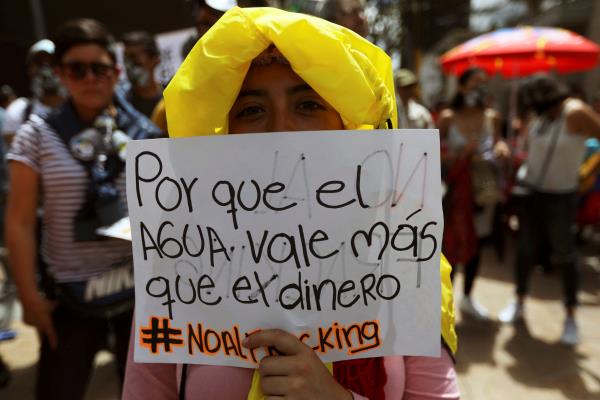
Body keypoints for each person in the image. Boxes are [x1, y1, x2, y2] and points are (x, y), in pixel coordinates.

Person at [123, 7, 459, 400]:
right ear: (224, 132)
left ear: (348, 123)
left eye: (307, 105)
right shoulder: (183, 263)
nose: (280, 130)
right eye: (251, 110)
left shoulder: (402, 253)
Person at [5, 18, 161, 399]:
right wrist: (28, 296)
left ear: (116, 71)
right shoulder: (37, 135)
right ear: (60, 74)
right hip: (71, 299)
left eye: (100, 68)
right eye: (77, 69)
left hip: (139, 296)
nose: (90, 77)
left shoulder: (145, 133)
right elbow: (20, 220)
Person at [498, 74, 600, 346]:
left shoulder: (575, 112)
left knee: (565, 254)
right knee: (525, 250)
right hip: (531, 191)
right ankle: (519, 300)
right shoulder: (540, 119)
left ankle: (570, 315)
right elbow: (533, 153)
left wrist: (587, 174)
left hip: (561, 197)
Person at [438, 67, 508, 320]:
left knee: (477, 242)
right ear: (462, 86)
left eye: (483, 83)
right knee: (451, 243)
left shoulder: (492, 117)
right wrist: (459, 155)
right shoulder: (447, 118)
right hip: (455, 194)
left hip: (482, 192)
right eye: (474, 83)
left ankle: (467, 297)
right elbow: (434, 152)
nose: (478, 88)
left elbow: (499, 142)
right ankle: (446, 301)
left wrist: (501, 149)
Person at [2, 39, 64, 148]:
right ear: (29, 70)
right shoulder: (18, 111)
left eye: (51, 63)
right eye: (39, 63)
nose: (46, 69)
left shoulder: (83, 106)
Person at [122, 31, 163, 118]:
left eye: (133, 57)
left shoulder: (169, 98)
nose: (128, 65)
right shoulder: (122, 105)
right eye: (126, 58)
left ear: (154, 60)